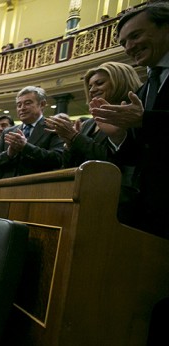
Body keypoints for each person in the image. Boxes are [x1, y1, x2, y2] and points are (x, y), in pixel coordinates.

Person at [89, 3, 169, 239]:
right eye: (123, 42)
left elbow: (149, 125)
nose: (129, 47)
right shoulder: (146, 87)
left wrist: (145, 120)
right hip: (152, 210)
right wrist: (118, 135)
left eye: (135, 36)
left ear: (166, 28)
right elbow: (139, 154)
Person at [0, 86, 65, 181]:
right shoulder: (8, 132)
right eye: (19, 105)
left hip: (37, 187)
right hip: (5, 187)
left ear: (42, 104)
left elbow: (58, 159)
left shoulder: (54, 127)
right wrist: (9, 154)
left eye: (27, 103)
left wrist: (26, 147)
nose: (22, 108)